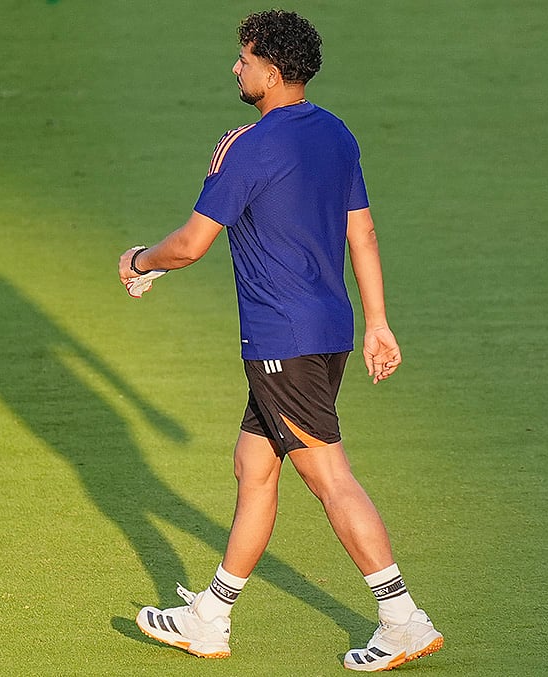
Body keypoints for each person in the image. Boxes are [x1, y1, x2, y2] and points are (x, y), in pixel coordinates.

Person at [119, 9, 443, 672]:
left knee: (329, 477)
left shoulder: (249, 147)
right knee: (254, 465)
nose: (235, 68)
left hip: (281, 341)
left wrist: (141, 261)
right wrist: (378, 321)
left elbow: (192, 243)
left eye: (244, 59)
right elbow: (362, 231)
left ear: (270, 70)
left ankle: (402, 618)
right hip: (328, 332)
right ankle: (210, 618)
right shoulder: (336, 133)